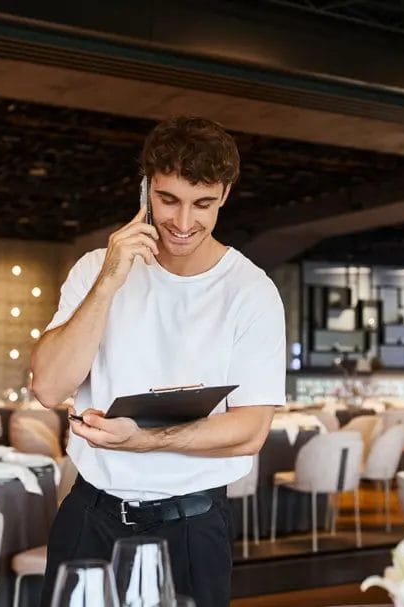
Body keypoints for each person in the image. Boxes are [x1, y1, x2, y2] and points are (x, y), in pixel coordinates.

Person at [31, 116, 286, 607]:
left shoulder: (252, 293)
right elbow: (47, 387)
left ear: (225, 196)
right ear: (146, 188)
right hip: (89, 516)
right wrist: (109, 281)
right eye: (168, 200)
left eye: (203, 204)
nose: (183, 222)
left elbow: (250, 431)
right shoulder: (93, 270)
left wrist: (145, 441)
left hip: (191, 529)